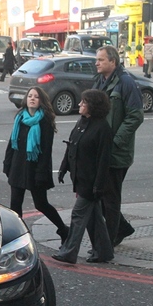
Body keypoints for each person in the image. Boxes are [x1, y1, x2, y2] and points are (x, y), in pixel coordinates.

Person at [53, 89, 114, 264]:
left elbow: (104, 161)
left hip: (91, 182)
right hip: (79, 178)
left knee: (78, 216)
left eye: (83, 102)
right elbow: (72, 146)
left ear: (93, 106)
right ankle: (103, 252)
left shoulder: (103, 129)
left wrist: (98, 186)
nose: (79, 104)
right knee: (94, 219)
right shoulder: (82, 122)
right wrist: (64, 167)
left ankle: (68, 252)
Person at [92, 45, 144, 246]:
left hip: (116, 152)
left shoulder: (126, 82)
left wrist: (115, 142)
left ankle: (110, 240)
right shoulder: (100, 81)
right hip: (101, 149)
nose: (97, 63)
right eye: (97, 59)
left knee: (110, 198)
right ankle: (122, 228)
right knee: (101, 195)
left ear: (113, 61)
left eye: (101, 60)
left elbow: (135, 116)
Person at [3, 87, 68, 243]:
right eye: (30, 96)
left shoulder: (45, 121)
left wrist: (40, 173)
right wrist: (8, 163)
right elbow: (12, 142)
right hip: (18, 166)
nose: (32, 99)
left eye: (36, 97)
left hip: (35, 167)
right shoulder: (20, 117)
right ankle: (18, 237)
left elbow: (46, 151)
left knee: (41, 204)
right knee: (15, 205)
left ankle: (64, 229)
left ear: (41, 101)